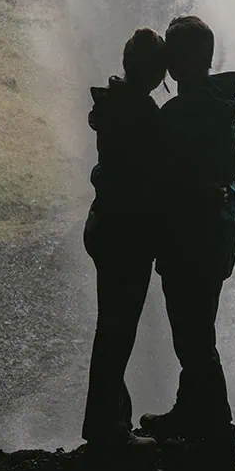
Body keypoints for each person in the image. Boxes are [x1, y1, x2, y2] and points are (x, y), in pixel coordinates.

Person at [139, 15, 235, 453]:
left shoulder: (180, 113)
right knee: (198, 329)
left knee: (192, 335)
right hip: (216, 234)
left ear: (181, 64)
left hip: (191, 238)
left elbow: (160, 175)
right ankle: (191, 413)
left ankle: (218, 428)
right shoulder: (221, 105)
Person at [80, 28, 167, 448]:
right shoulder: (143, 112)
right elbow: (151, 178)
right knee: (118, 330)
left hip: (105, 225)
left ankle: (114, 419)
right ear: (156, 73)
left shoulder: (113, 102)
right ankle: (106, 428)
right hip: (127, 233)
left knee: (112, 326)